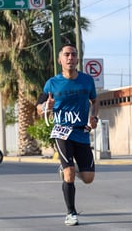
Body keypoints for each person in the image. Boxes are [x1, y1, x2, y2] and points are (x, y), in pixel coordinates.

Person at [37, 43, 99, 226]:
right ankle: (71, 213)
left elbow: (95, 101)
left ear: (77, 59)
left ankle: (65, 170)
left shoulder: (87, 81)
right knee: (70, 172)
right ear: (60, 59)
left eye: (73, 54)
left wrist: (94, 116)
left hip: (82, 132)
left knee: (88, 178)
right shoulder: (52, 83)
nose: (70, 57)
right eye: (66, 54)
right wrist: (45, 107)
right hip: (62, 131)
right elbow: (39, 107)